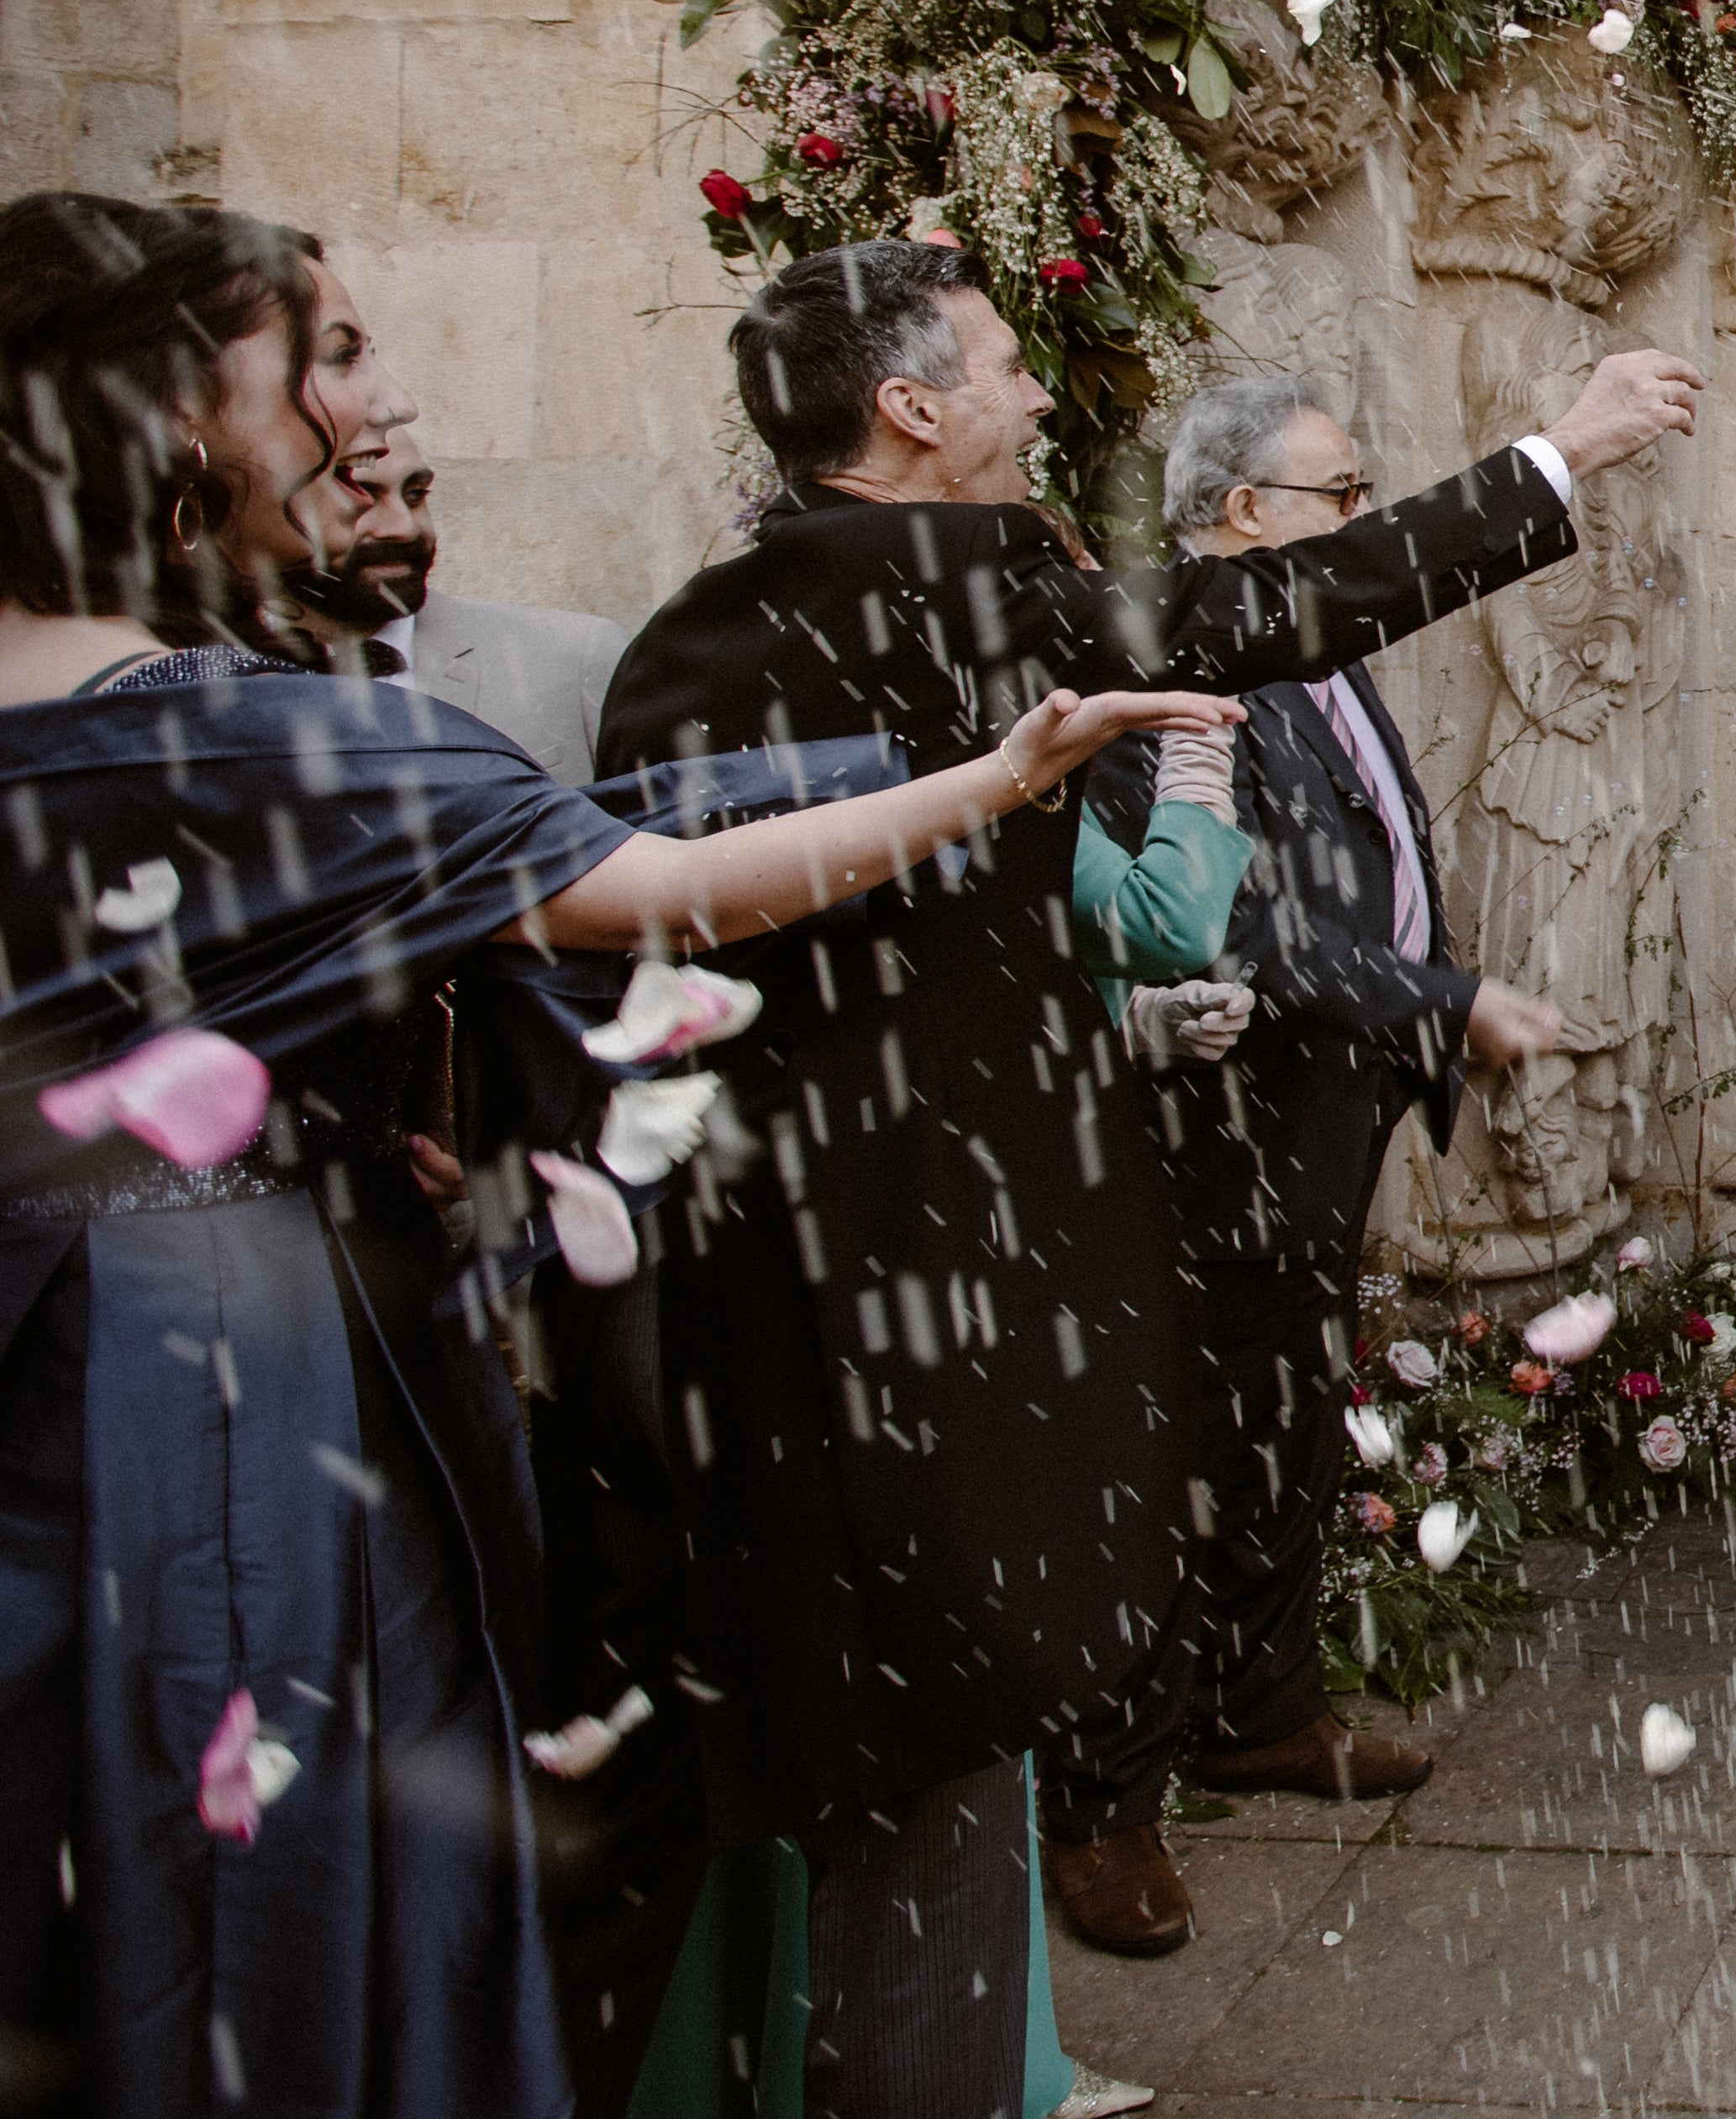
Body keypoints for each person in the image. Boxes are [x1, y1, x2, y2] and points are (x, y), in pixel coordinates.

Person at [0, 191, 1230, 2119]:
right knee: (258, 1890)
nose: (355, 420)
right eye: (310, 367)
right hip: (213, 1397)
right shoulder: (229, 736)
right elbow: (649, 869)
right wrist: (995, 776)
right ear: (162, 425)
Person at [592, 241, 1697, 2116]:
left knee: (815, 1744)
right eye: (1008, 368)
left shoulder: (703, 630)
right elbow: (1281, 607)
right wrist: (1559, 453)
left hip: (756, 1281)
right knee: (946, 1727)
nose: (1038, 400)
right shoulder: (965, 589)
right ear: (910, 405)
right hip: (943, 1278)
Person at [1037, 376, 1559, 1955]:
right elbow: (1247, 918)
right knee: (1172, 1440)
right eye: (1341, 495)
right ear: (1241, 515)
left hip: (1329, 1105)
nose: (1364, 518)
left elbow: (1371, 842)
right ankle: (1103, 1799)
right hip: (1218, 1115)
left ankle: (1258, 1709)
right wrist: (1447, 999)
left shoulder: (1313, 655)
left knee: (1281, 1417)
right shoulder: (1180, 666)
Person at [292, 429, 636, 781]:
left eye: (415, 495)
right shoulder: (239, 685)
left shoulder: (575, 656)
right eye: (362, 498)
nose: (405, 527)